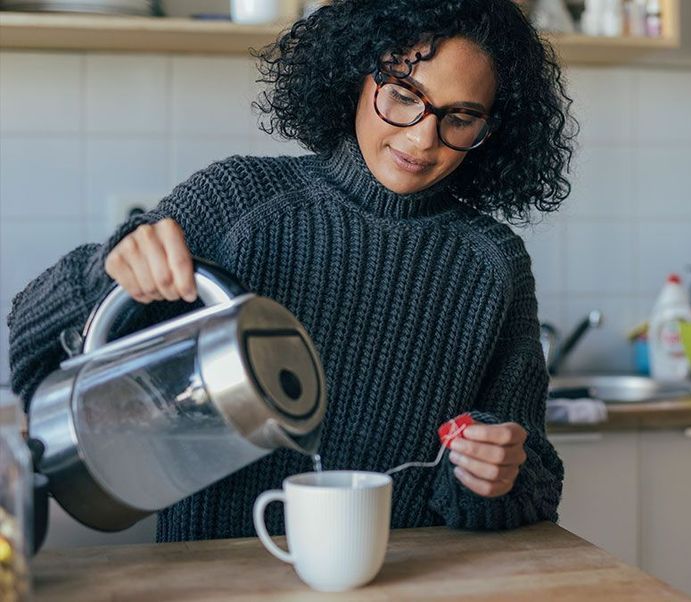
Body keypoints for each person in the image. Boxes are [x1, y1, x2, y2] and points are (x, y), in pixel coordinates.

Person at [5, 0, 575, 542]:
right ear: (358, 73)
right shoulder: (236, 202)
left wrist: (496, 476)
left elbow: (536, 486)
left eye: (461, 117)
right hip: (219, 586)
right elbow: (34, 350)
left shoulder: (493, 264)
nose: (422, 138)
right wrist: (105, 274)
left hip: (402, 582)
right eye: (404, 95)